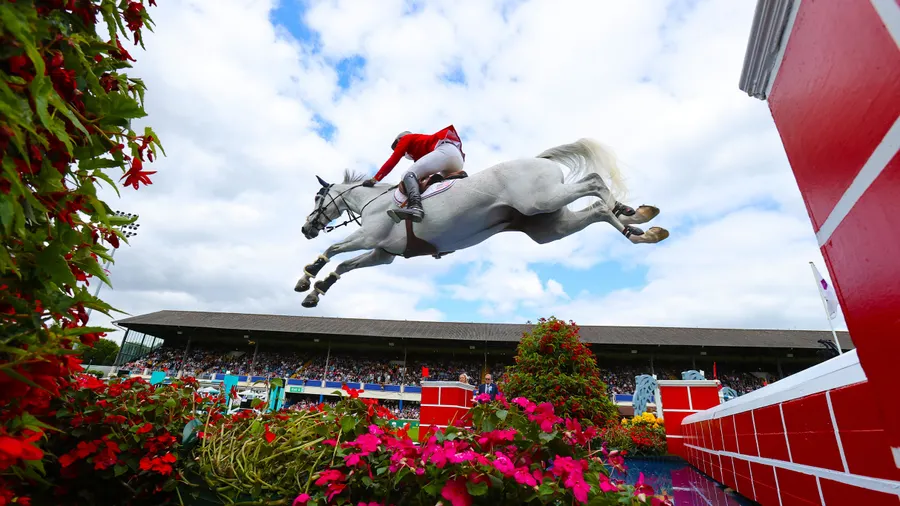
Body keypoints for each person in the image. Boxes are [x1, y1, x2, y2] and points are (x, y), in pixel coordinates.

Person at [362, 125, 466, 223]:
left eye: (396, 145)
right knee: (433, 182)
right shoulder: (419, 149)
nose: (399, 149)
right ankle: (459, 181)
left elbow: (393, 160)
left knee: (407, 174)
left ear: (399, 139)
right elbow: (422, 174)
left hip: (445, 152)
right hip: (457, 160)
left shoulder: (406, 138)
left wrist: (375, 179)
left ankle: (415, 207)